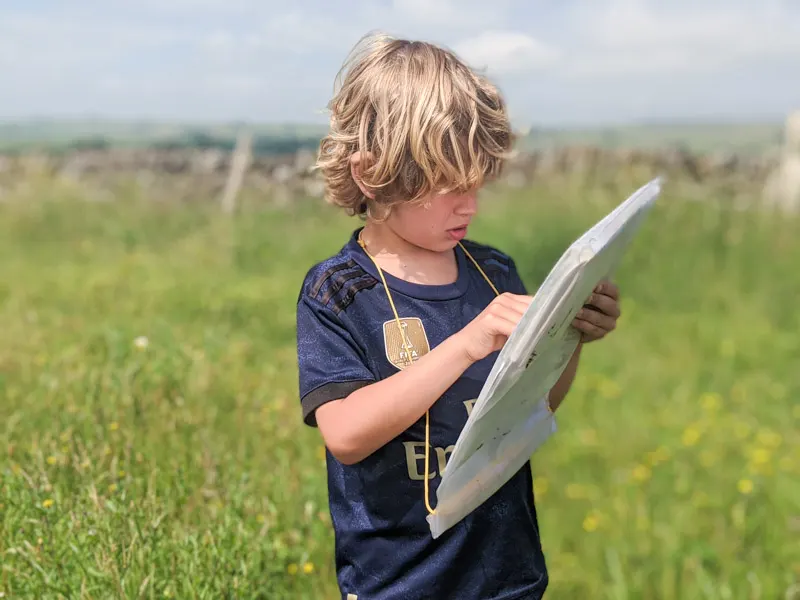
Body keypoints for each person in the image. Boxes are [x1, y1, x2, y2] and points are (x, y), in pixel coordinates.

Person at [295, 32, 621, 600]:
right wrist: (468, 343)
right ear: (373, 174)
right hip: (399, 583)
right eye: (447, 187)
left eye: (476, 183)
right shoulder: (340, 290)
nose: (468, 205)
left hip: (507, 576)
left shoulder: (492, 270)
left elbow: (533, 404)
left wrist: (571, 335)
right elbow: (344, 433)